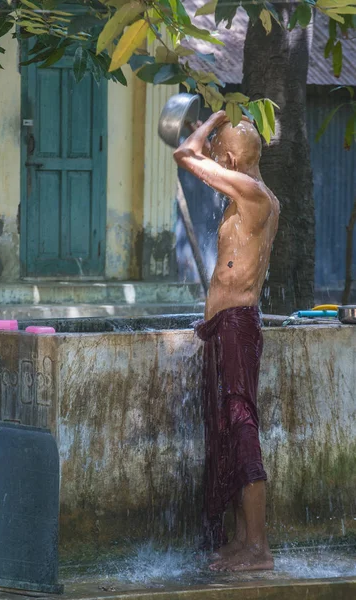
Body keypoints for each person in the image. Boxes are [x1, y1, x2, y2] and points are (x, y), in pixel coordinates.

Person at [173, 110, 279, 572]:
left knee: (240, 427)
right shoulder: (255, 196)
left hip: (236, 325)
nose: (213, 157)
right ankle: (241, 541)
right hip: (230, 326)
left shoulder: (253, 194)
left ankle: (258, 547)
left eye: (220, 152)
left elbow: (184, 153)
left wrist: (214, 116)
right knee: (226, 433)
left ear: (232, 158)